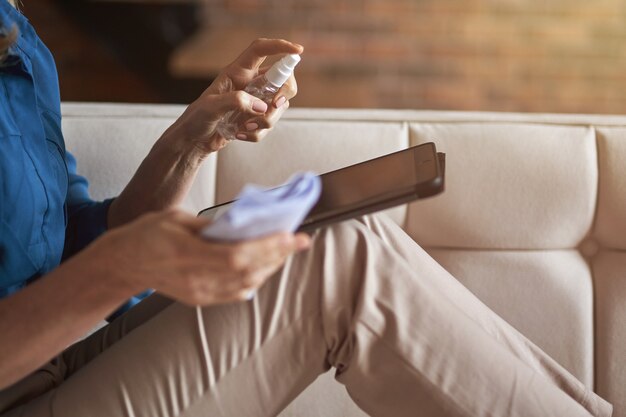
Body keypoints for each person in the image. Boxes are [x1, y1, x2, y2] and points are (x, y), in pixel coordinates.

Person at [0, 1, 613, 416]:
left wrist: (195, 136)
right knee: (334, 268)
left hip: (57, 364)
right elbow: (105, 262)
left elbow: (84, 237)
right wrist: (123, 267)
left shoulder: (19, 43)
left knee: (339, 239)